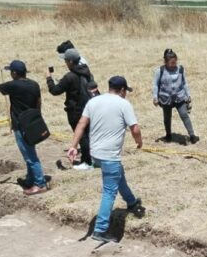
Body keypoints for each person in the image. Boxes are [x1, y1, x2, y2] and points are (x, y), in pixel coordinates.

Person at [68, 76, 145, 243]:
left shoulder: (93, 102)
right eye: (126, 91)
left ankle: (131, 202)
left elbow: (81, 124)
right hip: (109, 155)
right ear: (123, 90)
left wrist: (74, 146)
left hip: (96, 154)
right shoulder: (124, 104)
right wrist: (139, 142)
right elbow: (135, 128)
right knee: (110, 191)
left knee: (118, 174)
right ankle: (100, 229)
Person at [0, 60, 47, 195]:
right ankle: (30, 179)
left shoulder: (14, 86)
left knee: (30, 156)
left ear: (14, 73)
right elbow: (38, 102)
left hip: (20, 125)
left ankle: (40, 184)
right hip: (32, 124)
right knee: (29, 153)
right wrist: (37, 118)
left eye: (11, 72)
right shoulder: (34, 84)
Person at [46, 48, 94, 170]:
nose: (65, 63)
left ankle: (87, 163)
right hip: (89, 107)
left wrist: (49, 78)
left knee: (82, 136)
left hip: (76, 111)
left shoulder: (70, 76)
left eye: (66, 60)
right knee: (89, 135)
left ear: (71, 62)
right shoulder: (87, 72)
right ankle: (92, 159)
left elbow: (55, 91)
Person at [152, 48, 198, 144]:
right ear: (165, 62)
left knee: (184, 115)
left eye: (175, 62)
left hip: (180, 97)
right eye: (171, 63)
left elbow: (184, 83)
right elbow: (155, 85)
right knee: (167, 118)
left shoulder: (180, 69)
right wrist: (155, 97)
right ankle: (168, 135)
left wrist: (188, 95)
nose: (174, 65)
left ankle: (192, 135)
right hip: (165, 99)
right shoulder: (159, 71)